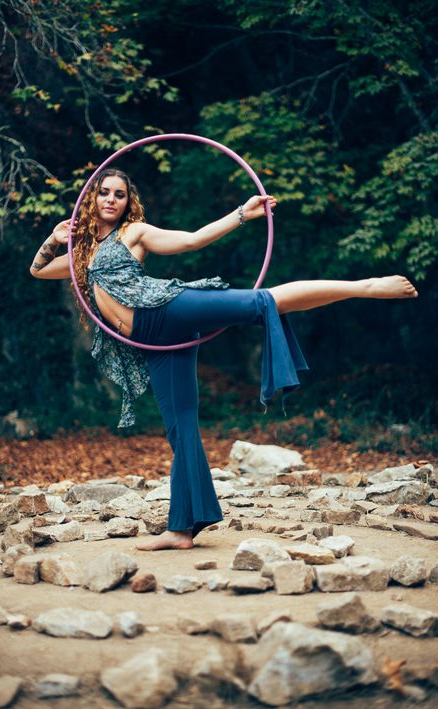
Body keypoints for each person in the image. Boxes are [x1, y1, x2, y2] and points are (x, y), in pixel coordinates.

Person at [30, 168, 418, 551]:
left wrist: (241, 215)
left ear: (128, 202)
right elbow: (39, 270)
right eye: (104, 193)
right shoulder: (81, 254)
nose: (111, 200)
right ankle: (181, 530)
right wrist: (53, 237)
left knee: (262, 300)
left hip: (166, 310)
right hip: (151, 342)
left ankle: (365, 286)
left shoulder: (134, 233)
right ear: (91, 199)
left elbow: (191, 241)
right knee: (180, 429)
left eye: (119, 194)